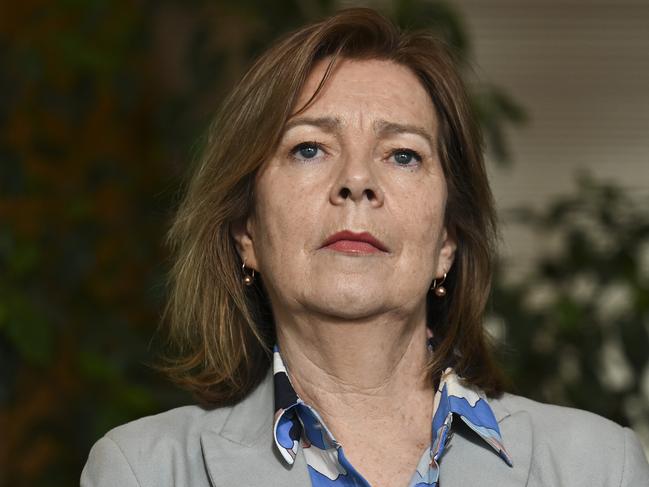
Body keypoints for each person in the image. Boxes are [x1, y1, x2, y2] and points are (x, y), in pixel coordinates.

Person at [80, 8, 649, 487]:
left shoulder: (599, 466)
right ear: (245, 232)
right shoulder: (144, 470)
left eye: (402, 154)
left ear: (447, 241)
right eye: (309, 149)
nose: (357, 179)